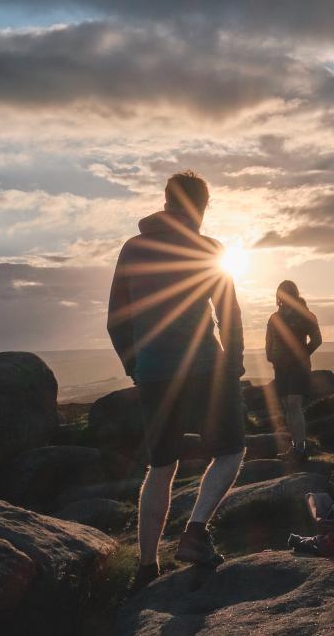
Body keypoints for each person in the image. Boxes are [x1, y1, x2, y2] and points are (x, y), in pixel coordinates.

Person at [106, 171, 246, 593]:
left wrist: (137, 367)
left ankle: (147, 567)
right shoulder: (208, 248)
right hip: (205, 366)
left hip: (154, 372)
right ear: (201, 207)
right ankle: (196, 531)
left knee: (161, 466)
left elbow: (117, 318)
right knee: (231, 449)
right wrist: (233, 365)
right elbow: (229, 312)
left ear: (166, 202)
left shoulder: (134, 247)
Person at [265, 280, 322, 464]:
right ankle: (295, 446)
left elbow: (317, 339)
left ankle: (301, 447)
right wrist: (271, 357)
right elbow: (268, 341)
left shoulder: (305, 315)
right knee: (287, 406)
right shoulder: (274, 318)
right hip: (280, 367)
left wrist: (302, 354)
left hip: (299, 366)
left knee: (294, 403)